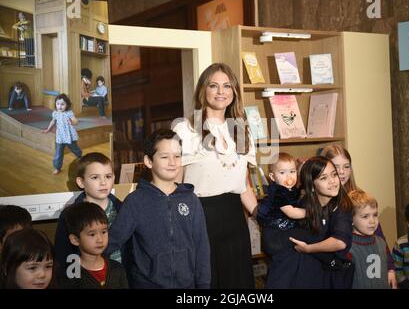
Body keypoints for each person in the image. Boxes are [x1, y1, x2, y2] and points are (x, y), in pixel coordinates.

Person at [172, 63, 258, 288]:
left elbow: (244, 186)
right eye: (214, 85)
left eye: (227, 86)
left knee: (236, 283)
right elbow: (175, 183)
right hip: (197, 214)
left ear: (234, 91)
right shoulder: (185, 129)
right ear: (203, 90)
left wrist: (264, 217)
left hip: (234, 217)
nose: (221, 92)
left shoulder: (242, 130)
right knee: (205, 283)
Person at [105, 129, 210, 289]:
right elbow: (112, 241)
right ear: (148, 161)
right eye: (164, 157)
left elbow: (202, 246)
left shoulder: (191, 199)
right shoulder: (135, 201)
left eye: (177, 156)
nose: (172, 162)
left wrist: (203, 284)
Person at [267, 156, 354, 288]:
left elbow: (339, 242)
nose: (332, 181)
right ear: (312, 186)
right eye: (323, 178)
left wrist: (308, 249)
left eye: (334, 175)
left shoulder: (342, 205)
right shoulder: (305, 203)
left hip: (332, 270)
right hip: (307, 267)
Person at [320, 144, 397, 288]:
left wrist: (390, 267)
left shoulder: (358, 197)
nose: (342, 172)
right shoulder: (320, 200)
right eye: (336, 167)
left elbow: (379, 236)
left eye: (347, 166)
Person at [54, 152, 123, 275]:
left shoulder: (123, 209)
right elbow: (64, 254)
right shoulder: (69, 215)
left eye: (108, 176)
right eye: (95, 177)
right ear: (81, 182)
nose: (103, 182)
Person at [59, 202, 128, 289]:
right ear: (75, 240)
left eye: (103, 232)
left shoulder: (117, 268)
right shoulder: (71, 274)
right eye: (92, 234)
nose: (100, 239)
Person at [257, 152, 305, 257]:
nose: (289, 176)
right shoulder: (278, 192)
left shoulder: (290, 189)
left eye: (292, 171)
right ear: (272, 177)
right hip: (275, 235)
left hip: (284, 230)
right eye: (282, 173)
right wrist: (311, 212)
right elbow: (291, 212)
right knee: (307, 236)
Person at [348, 189, 390, 289]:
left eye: (375, 215)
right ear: (351, 219)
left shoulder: (381, 243)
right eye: (365, 216)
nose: (372, 221)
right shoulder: (348, 247)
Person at [42, 93, 82, 175]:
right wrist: (48, 129)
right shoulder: (55, 113)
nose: (59, 106)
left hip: (68, 135)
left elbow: (76, 121)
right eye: (58, 104)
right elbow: (53, 121)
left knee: (74, 148)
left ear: (67, 105)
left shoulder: (69, 113)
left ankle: (79, 156)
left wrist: (73, 121)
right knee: (58, 153)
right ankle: (57, 167)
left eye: (62, 104)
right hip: (60, 136)